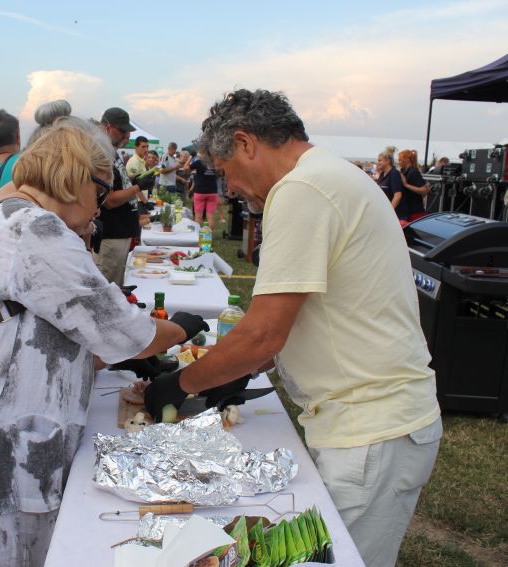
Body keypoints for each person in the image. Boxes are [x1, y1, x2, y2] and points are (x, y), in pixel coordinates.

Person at [0, 121, 208, 567]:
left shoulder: (10, 214)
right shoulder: (36, 230)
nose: (98, 208)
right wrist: (181, 329)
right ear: (75, 177)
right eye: (100, 192)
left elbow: (38, 331)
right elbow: (125, 332)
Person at [145, 88, 442, 567]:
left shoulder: (302, 189)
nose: (230, 188)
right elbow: (289, 323)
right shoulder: (326, 175)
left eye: (225, 171)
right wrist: (230, 371)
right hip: (369, 422)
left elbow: (264, 333)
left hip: (369, 427)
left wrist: (180, 384)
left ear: (246, 143)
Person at [94, 107, 147, 285]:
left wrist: (133, 181)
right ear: (107, 127)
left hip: (119, 235)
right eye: (122, 130)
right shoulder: (101, 154)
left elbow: (117, 184)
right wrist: (138, 187)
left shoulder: (111, 152)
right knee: (109, 288)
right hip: (111, 236)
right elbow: (108, 200)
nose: (127, 135)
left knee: (117, 287)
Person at [186, 149, 219, 225]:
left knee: (198, 216)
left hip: (200, 191)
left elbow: (185, 168)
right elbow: (220, 173)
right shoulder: (215, 162)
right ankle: (209, 233)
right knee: (210, 217)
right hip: (213, 191)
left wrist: (190, 157)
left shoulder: (199, 162)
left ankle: (198, 232)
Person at [398, 149, 430, 223]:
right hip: (407, 211)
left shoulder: (413, 172)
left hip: (415, 212)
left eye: (400, 160)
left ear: (407, 160)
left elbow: (424, 190)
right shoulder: (404, 171)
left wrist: (406, 185)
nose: (398, 162)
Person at [375, 146, 403, 218]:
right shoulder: (382, 174)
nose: (377, 163)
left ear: (387, 161)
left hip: (396, 215)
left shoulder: (394, 174)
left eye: (380, 160)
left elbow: (398, 195)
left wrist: (389, 212)